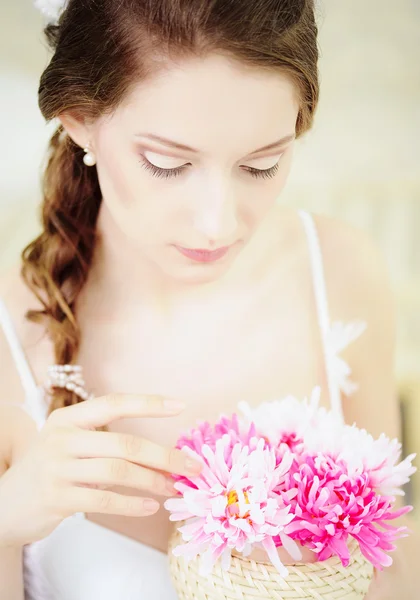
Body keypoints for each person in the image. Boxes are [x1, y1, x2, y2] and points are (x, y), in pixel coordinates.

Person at [0, 0, 411, 599]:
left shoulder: (341, 273)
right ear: (79, 120)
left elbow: (391, 561)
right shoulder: (11, 334)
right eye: (168, 164)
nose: (218, 225)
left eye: (261, 164)